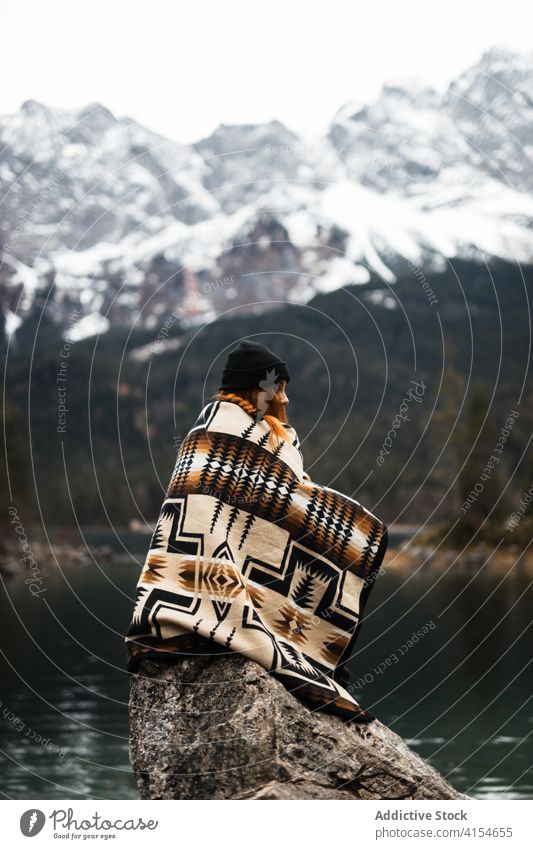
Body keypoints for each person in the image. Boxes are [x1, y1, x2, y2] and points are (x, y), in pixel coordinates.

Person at [125, 339, 388, 722]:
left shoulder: (222, 428)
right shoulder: (240, 431)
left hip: (179, 585)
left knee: (351, 537)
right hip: (209, 571)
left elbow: (277, 500)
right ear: (256, 389)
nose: (284, 399)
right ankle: (326, 659)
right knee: (365, 539)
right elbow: (278, 501)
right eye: (278, 388)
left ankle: (317, 651)